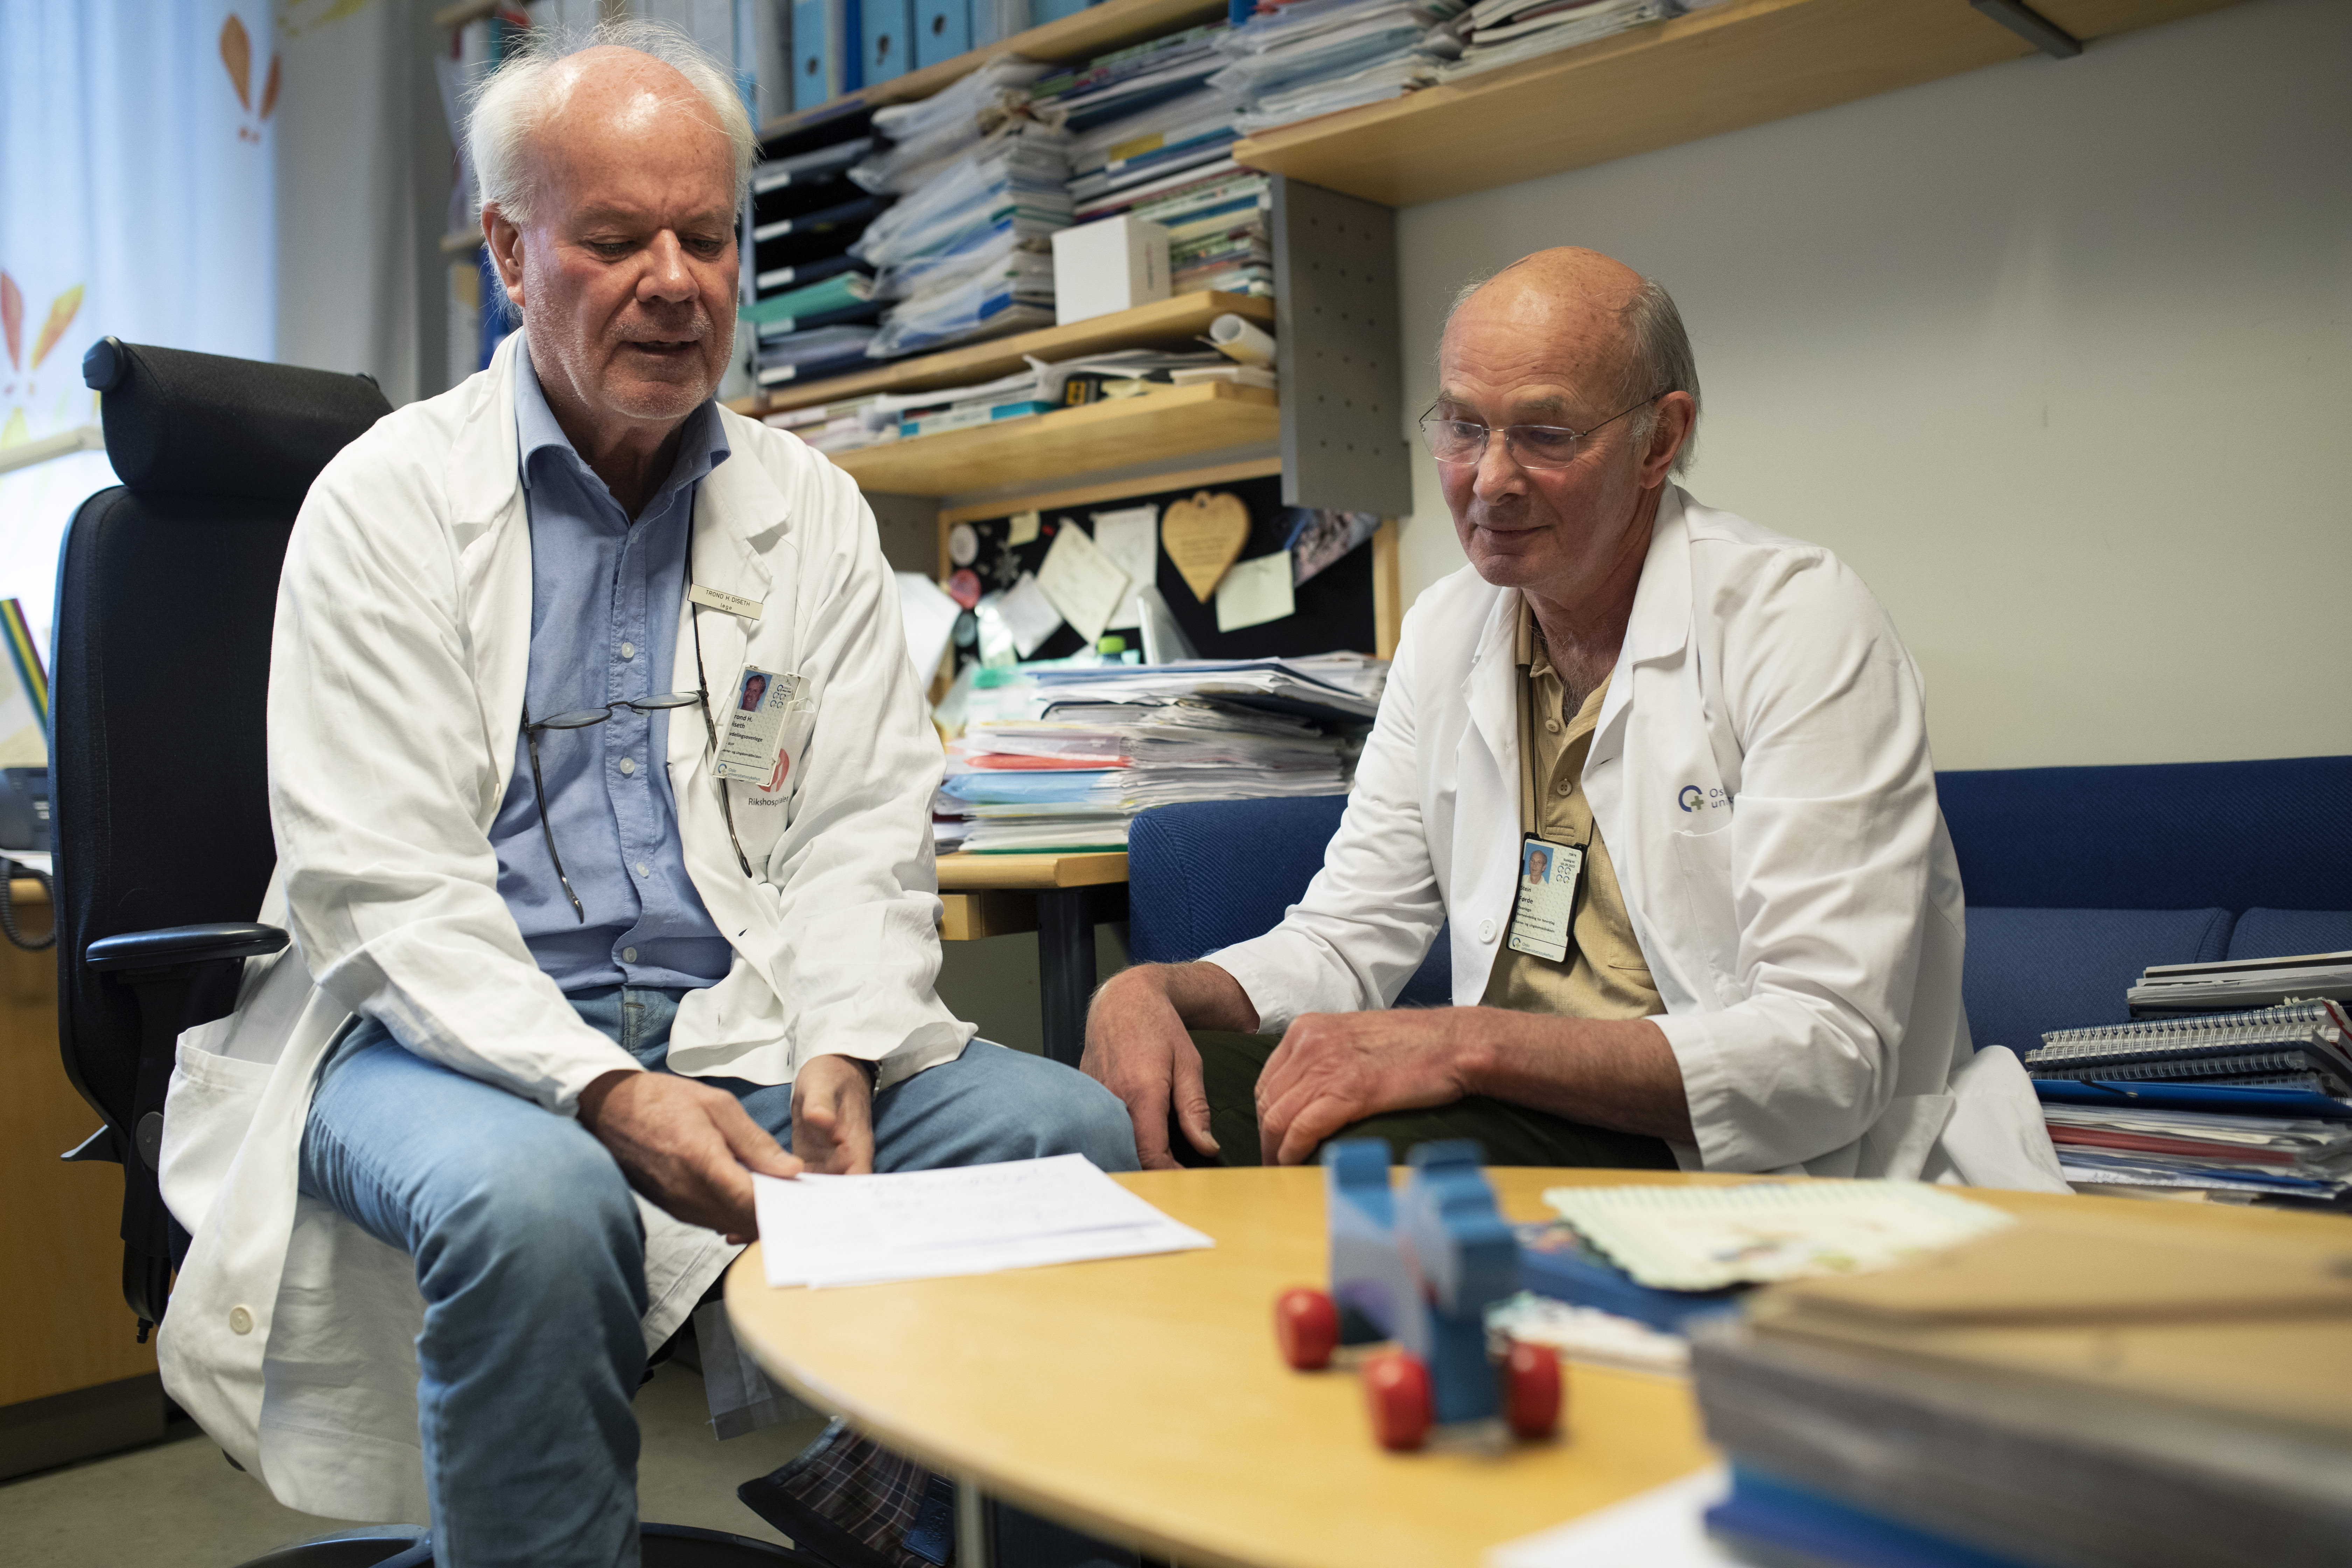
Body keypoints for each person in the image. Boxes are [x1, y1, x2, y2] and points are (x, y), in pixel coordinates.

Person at [154, 23, 1134, 1562]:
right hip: (431, 1044)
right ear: (509, 248)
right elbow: (386, 891)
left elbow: (860, 823)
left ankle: (945, 1537)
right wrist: (605, 1091)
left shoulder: (804, 504)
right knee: (540, 1207)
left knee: (1062, 1126)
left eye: (708, 235)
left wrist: (847, 1047)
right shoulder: (388, 501)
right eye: (614, 239)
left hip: (735, 1025)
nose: (675, 281)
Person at [1083, 247, 2060, 1190]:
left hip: (1726, 1149)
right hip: (1507, 1108)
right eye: (1463, 426)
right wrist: (1157, 990)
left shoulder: (1796, 619)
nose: (1490, 478)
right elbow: (1345, 938)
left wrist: (1463, 1043)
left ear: (1661, 439)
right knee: (1132, 1116)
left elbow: (1829, 1051)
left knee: (1361, 1161)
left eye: (1546, 436)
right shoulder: (1445, 631)